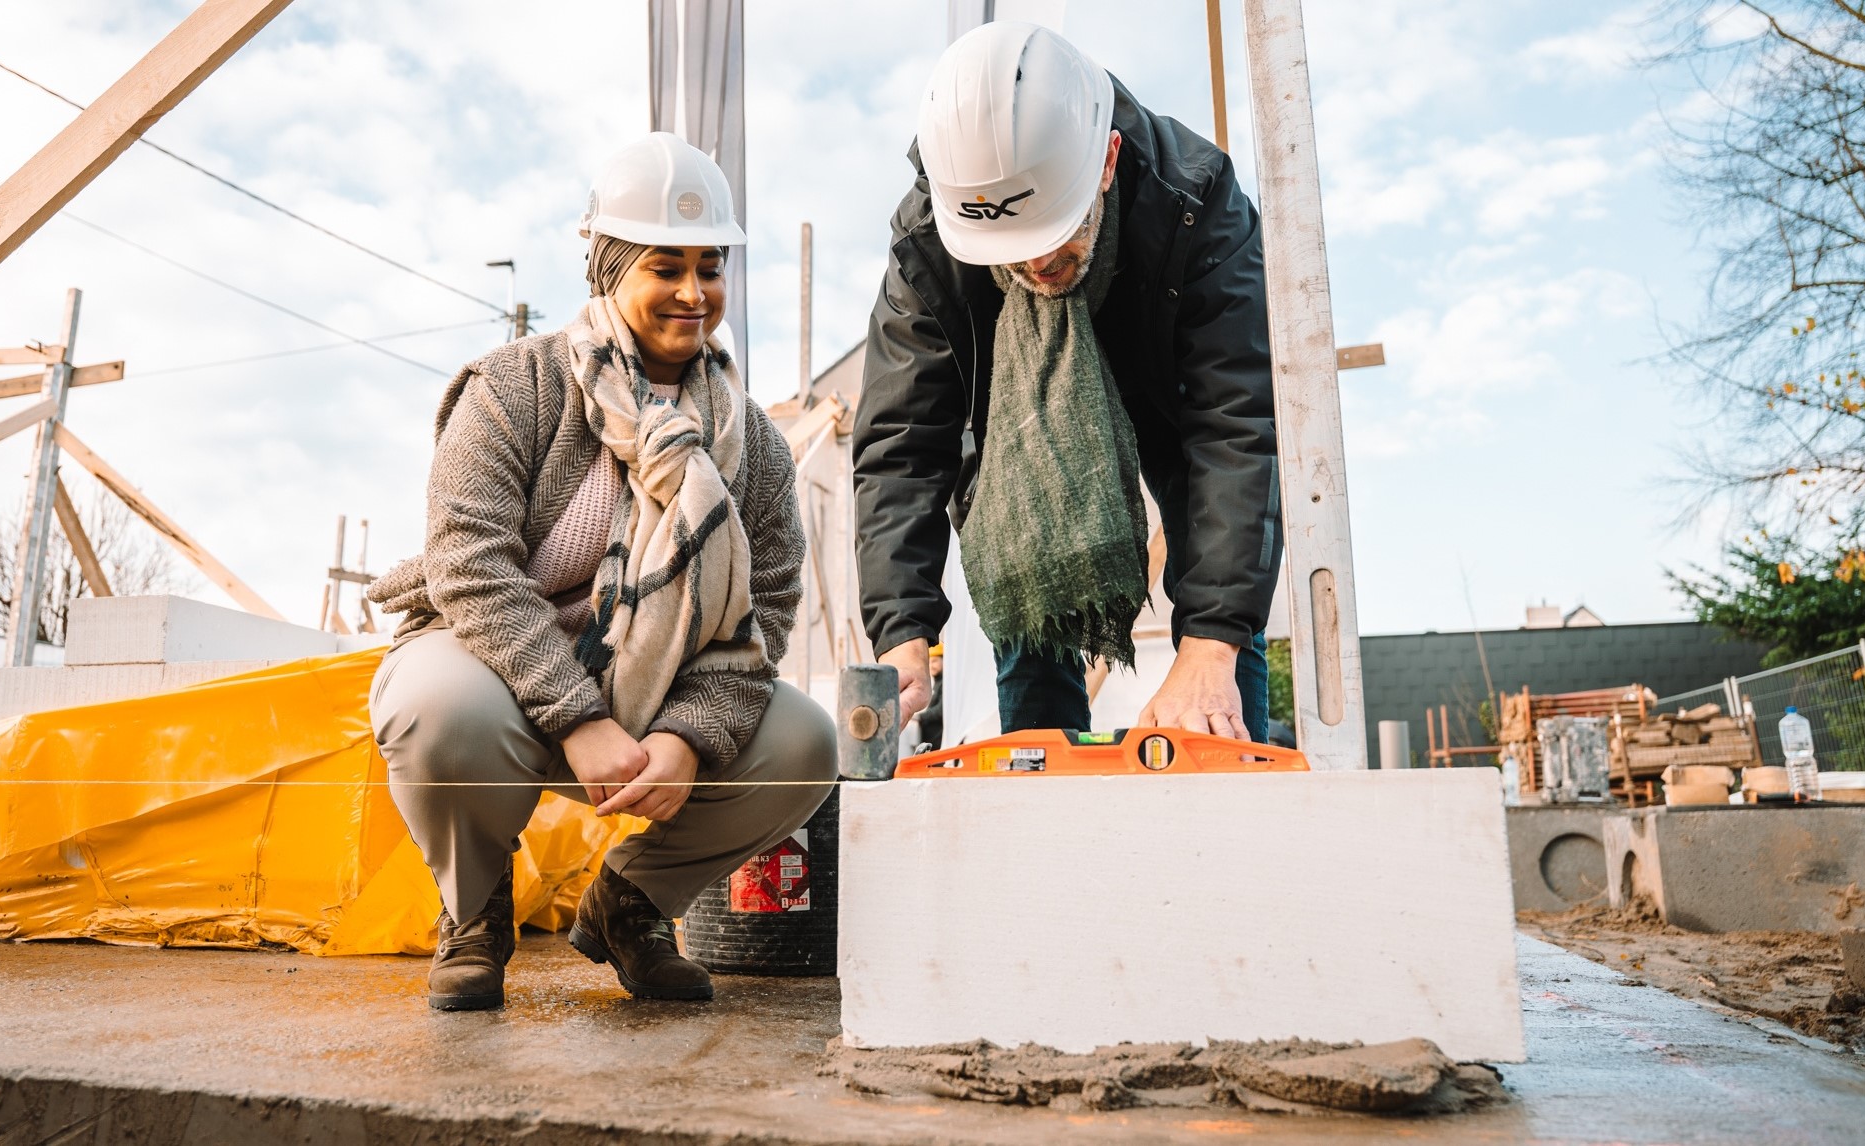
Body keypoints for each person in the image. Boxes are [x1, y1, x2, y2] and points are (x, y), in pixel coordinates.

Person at [366, 133, 836, 1010]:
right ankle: (473, 916)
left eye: (712, 267)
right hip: (499, 671)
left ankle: (632, 906)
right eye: (667, 267)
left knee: (804, 742)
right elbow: (469, 561)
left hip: (656, 692)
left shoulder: (753, 445)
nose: (695, 294)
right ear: (612, 267)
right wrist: (576, 717)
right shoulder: (515, 386)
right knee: (437, 710)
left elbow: (762, 614)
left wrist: (691, 735)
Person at [855, 22, 1280, 742]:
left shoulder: (1197, 203)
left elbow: (1235, 425)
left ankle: (1226, 763)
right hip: (1022, 425)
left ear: (1108, 160)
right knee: (1027, 562)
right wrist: (902, 631)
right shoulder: (931, 238)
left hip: (1165, 381)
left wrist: (1212, 643)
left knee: (1219, 639)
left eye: (1057, 232)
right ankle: (1042, 813)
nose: (1038, 266)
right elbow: (902, 443)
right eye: (1010, 251)